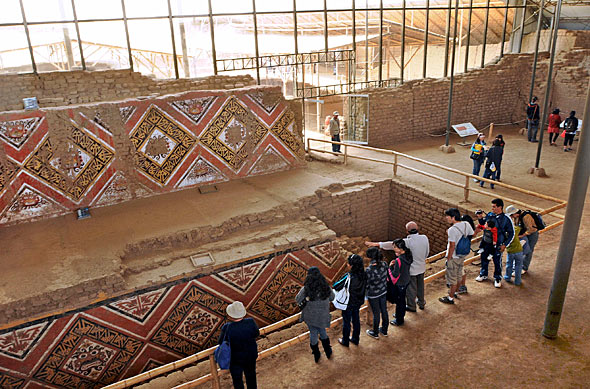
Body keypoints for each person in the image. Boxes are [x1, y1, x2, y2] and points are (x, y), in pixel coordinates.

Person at [365, 221, 430, 312]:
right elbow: (427, 252)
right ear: (418, 229)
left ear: (407, 231)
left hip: (411, 271)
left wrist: (377, 244)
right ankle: (421, 302)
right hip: (422, 267)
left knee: (411, 289)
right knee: (420, 286)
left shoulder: (407, 242)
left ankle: (411, 306)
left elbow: (391, 244)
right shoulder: (424, 238)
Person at [296, 267, 335, 363]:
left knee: (313, 333)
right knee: (322, 331)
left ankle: (316, 354)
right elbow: (332, 297)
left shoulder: (306, 289)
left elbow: (298, 299)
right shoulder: (326, 287)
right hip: (323, 315)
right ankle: (328, 351)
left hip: (310, 316)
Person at [219, 301, 260, 389]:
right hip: (250, 355)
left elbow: (221, 342)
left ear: (230, 315)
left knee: (237, 379)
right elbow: (256, 334)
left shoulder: (227, 327)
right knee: (251, 376)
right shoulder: (250, 322)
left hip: (235, 359)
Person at [475, 198, 515, 288]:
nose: (492, 208)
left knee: (497, 261)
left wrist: (505, 244)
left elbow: (512, 233)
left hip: (498, 244)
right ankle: (483, 274)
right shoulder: (490, 215)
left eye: (494, 207)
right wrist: (480, 218)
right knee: (484, 258)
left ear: (500, 207)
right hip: (486, 242)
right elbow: (484, 224)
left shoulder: (506, 219)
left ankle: (497, 278)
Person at [439, 208, 474, 305]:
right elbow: (472, 234)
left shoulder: (452, 230)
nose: (446, 218)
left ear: (453, 217)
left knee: (452, 278)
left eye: (448, 216)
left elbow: (452, 246)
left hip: (454, 256)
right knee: (459, 274)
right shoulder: (466, 224)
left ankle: (450, 298)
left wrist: (448, 258)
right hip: (462, 254)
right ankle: (456, 292)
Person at [335, 254, 366, 347]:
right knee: (356, 319)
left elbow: (336, 286)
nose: (347, 265)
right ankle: (355, 339)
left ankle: (345, 340)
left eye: (348, 263)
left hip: (348, 303)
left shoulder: (349, 276)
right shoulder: (364, 274)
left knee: (346, 321)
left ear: (352, 265)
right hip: (358, 301)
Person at [364, 247, 389, 339]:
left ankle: (375, 332)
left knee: (376, 313)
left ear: (370, 258)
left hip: (373, 295)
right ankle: (384, 330)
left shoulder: (369, 269)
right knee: (384, 311)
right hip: (383, 291)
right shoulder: (384, 264)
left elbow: (366, 284)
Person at [388, 239, 413, 325]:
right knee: (402, 299)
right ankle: (400, 315)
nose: (393, 248)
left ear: (400, 248)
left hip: (400, 282)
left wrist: (391, 267)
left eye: (395, 247)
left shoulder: (399, 260)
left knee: (399, 301)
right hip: (406, 279)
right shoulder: (408, 255)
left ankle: (399, 320)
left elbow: (395, 274)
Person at [513, 208, 539, 275]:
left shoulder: (526, 217)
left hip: (532, 234)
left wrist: (523, 235)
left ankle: (524, 267)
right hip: (524, 232)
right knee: (520, 249)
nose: (512, 216)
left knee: (529, 251)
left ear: (516, 213)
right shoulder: (516, 217)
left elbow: (531, 229)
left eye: (512, 215)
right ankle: (516, 267)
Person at [503, 206, 524, 286]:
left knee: (509, 265)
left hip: (510, 251)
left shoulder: (505, 235)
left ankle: (507, 277)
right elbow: (518, 227)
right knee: (518, 266)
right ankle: (517, 281)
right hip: (519, 250)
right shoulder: (515, 229)